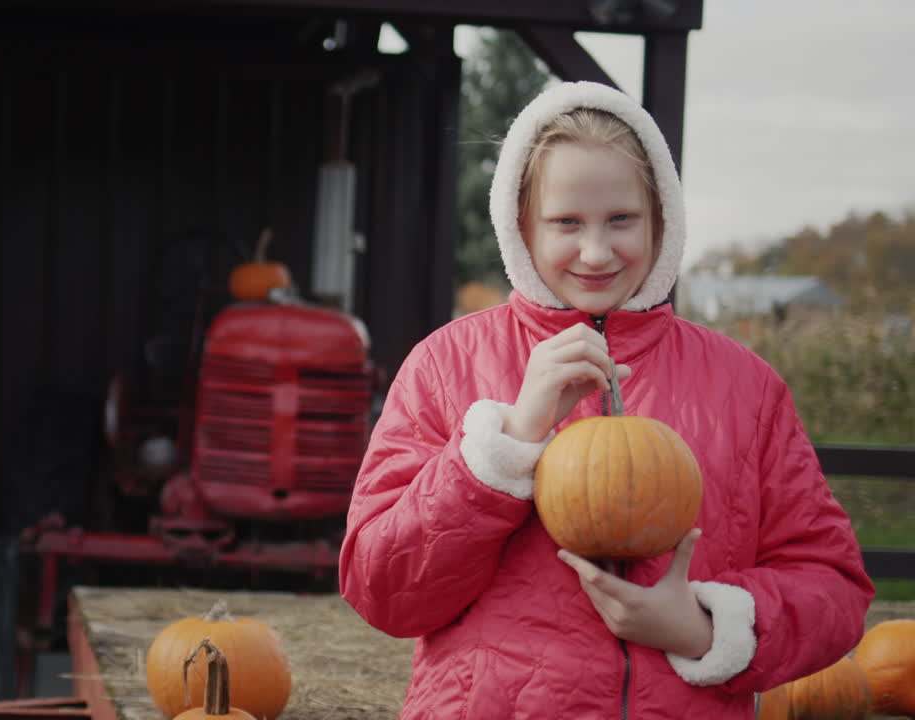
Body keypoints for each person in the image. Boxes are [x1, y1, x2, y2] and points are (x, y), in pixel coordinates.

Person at [338, 81, 874, 718]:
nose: (596, 252)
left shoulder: (746, 386)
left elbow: (833, 585)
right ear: (521, 229)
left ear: (661, 219)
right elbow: (384, 592)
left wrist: (703, 627)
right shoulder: (444, 365)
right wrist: (505, 448)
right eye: (566, 223)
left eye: (621, 220)